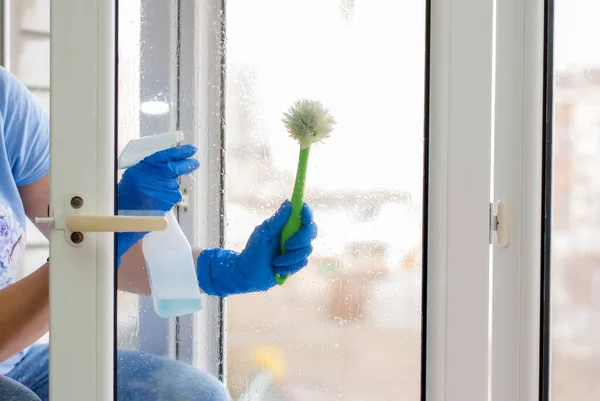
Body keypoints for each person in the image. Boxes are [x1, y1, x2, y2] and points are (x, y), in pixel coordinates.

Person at [0, 66, 318, 401]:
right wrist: (110, 237)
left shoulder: (6, 103)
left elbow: (88, 241)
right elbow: (94, 250)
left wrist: (223, 271)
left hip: (16, 360)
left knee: (196, 395)